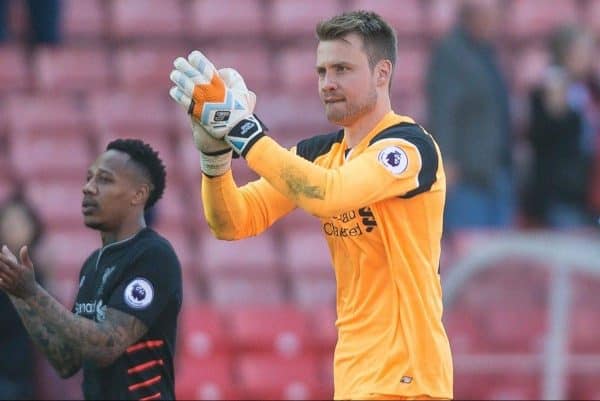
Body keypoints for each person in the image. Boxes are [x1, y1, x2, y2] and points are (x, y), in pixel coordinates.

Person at [169, 10, 452, 400]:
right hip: (354, 379)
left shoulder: (407, 148)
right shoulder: (321, 154)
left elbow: (328, 193)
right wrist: (216, 160)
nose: (328, 83)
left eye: (342, 69)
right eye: (322, 72)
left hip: (409, 379)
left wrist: (241, 129)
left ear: (382, 73)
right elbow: (233, 221)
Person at [0, 139, 183, 400]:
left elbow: (107, 345)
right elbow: (66, 361)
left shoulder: (153, 256)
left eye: (105, 180)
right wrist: (17, 292)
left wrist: (32, 293)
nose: (88, 188)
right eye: (88, 178)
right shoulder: (92, 265)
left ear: (138, 194)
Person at [426, 0, 514, 236]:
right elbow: (443, 110)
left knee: (500, 255)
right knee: (471, 251)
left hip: (495, 170)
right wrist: (446, 158)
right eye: (487, 17)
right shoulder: (450, 53)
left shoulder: (488, 53)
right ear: (469, 17)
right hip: (467, 175)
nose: (493, 24)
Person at [0, 192, 45, 399]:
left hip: (29, 376)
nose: (12, 227)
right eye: (8, 222)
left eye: (19, 222)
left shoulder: (40, 273)